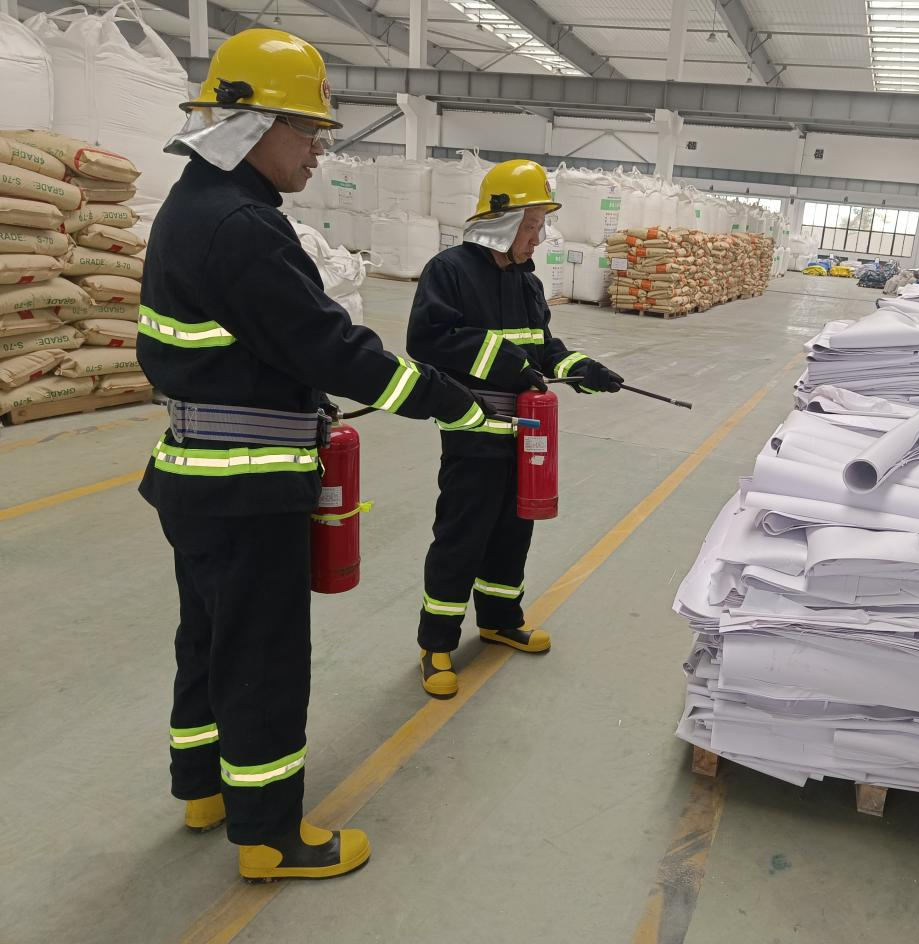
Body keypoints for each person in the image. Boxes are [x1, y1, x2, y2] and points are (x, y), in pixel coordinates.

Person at [138, 28, 487, 882]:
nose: (319, 149)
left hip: (197, 475)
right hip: (248, 486)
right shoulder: (241, 227)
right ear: (254, 124)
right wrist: (446, 399)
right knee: (261, 656)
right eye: (308, 129)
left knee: (209, 638)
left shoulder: (193, 206)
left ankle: (203, 789)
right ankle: (269, 837)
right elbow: (329, 347)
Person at [406, 160, 624, 698]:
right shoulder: (450, 271)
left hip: (525, 436)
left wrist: (579, 367)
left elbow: (541, 348)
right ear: (501, 221)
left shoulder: (526, 281)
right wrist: (506, 363)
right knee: (462, 537)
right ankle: (437, 643)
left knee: (513, 530)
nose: (538, 237)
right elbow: (428, 340)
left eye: (541, 225)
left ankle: (500, 620)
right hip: (474, 431)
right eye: (531, 226)